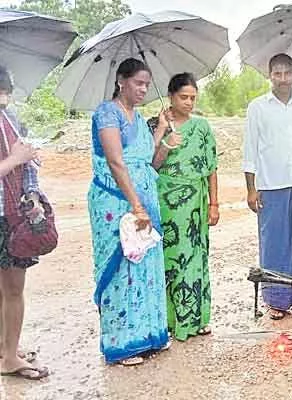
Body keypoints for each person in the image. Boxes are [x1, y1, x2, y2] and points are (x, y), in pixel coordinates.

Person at [89, 58, 170, 365]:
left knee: (146, 264)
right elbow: (115, 161)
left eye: (147, 84)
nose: (143, 89)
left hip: (144, 200)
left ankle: (149, 334)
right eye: (138, 83)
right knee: (121, 266)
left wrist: (160, 129)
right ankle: (122, 343)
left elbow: (145, 158)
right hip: (116, 202)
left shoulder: (136, 116)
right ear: (121, 81)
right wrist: (135, 205)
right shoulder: (107, 112)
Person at [243, 54, 292, 320]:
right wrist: (251, 189)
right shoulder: (257, 107)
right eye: (277, 73)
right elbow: (250, 150)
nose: (283, 78)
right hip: (271, 184)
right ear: (270, 75)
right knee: (275, 243)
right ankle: (276, 301)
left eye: (287, 73)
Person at [149, 73, 219, 341]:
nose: (189, 102)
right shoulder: (155, 125)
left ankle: (198, 318)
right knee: (168, 259)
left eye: (193, 98)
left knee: (195, 257)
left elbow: (212, 168)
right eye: (183, 97)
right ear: (170, 96)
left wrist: (214, 203)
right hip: (165, 201)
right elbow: (149, 165)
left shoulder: (202, 126)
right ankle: (169, 320)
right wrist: (165, 141)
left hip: (195, 203)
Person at [0, 67, 49, 380]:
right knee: (13, 290)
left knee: (5, 288)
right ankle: (9, 359)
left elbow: (22, 158)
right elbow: (13, 161)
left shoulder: (9, 120)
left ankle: (7, 348)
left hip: (10, 212)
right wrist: (15, 160)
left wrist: (27, 159)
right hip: (4, 216)